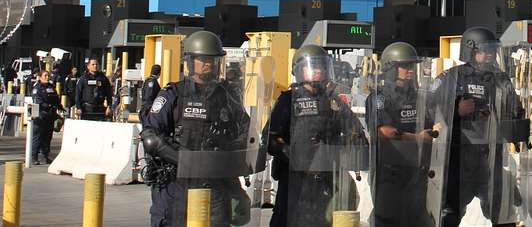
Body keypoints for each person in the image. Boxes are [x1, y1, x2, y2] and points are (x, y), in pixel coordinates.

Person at [141, 30, 252, 227]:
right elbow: (151, 137)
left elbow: (246, 131)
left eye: (212, 60)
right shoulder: (173, 94)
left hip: (216, 180)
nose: (208, 64)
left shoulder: (228, 96)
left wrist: (236, 154)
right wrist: (184, 159)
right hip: (177, 181)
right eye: (202, 59)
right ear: (191, 62)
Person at [433, 26, 526, 227]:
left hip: (490, 156)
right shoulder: (452, 77)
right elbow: (429, 108)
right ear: (471, 51)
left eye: (493, 49)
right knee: (449, 212)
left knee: (502, 212)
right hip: (459, 157)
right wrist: (456, 111)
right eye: (486, 49)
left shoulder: (500, 79)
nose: (492, 54)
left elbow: (516, 111)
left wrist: (507, 121)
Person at [267, 45, 367, 227]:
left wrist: (345, 148)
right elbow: (271, 140)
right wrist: (295, 155)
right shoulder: (288, 100)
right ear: (299, 70)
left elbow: (356, 131)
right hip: (295, 179)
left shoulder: (333, 101)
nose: (318, 70)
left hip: (327, 178)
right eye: (313, 66)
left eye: (321, 66)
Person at [367, 41, 434, 227]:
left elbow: (435, 124)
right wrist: (417, 138)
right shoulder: (379, 97)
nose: (410, 70)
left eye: (412, 65)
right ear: (391, 68)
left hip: (418, 170)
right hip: (390, 171)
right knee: (388, 218)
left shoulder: (421, 97)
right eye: (405, 66)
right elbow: (384, 131)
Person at [31, 70, 62, 164]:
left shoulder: (51, 87)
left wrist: (59, 106)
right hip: (41, 115)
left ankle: (45, 155)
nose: (47, 77)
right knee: (38, 136)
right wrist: (48, 105)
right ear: (40, 77)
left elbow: (56, 98)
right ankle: (34, 156)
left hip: (50, 115)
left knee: (48, 136)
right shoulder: (37, 88)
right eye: (45, 76)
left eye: (48, 76)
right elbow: (38, 101)